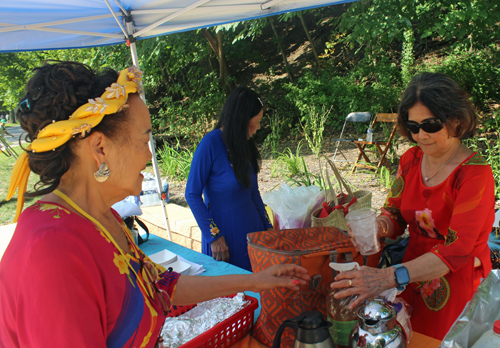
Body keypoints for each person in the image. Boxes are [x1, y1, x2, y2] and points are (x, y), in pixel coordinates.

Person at [0, 62, 310, 348]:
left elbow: (163, 286)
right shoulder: (53, 251)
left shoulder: (102, 219)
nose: (150, 156)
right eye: (144, 140)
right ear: (100, 148)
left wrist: (256, 281)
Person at [331, 72, 495, 340]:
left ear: (455, 119)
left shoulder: (474, 175)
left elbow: (456, 251)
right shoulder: (411, 160)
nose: (421, 135)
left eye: (430, 125)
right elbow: (394, 213)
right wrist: (377, 226)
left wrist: (384, 278)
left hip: (456, 280)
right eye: (414, 126)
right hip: (409, 273)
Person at [185, 87, 273, 271]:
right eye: (256, 122)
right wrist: (214, 237)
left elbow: (253, 192)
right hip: (224, 236)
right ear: (242, 119)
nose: (257, 129)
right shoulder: (210, 144)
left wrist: (268, 228)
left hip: (252, 233)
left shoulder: (245, 145)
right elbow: (192, 194)